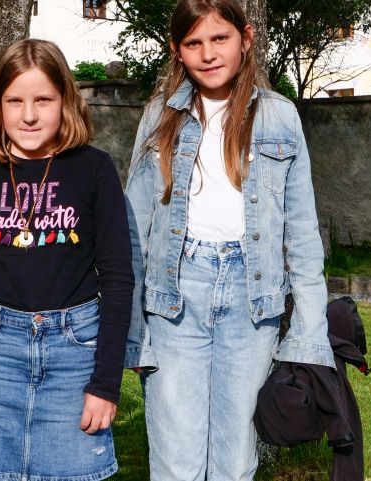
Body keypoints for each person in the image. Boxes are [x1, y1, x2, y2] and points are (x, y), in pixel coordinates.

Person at [123, 1, 337, 480]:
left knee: (236, 459)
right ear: (178, 51)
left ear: (246, 38)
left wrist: (309, 330)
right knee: (176, 460)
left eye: (220, 39)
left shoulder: (280, 117)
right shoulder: (160, 117)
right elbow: (132, 229)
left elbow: (302, 234)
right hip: (175, 298)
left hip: (251, 301)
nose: (209, 53)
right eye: (194, 43)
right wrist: (133, 332)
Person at [0, 38, 133, 481]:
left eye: (43, 99)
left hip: (74, 354)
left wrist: (105, 386)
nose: (29, 115)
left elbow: (119, 279)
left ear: (65, 101)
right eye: (15, 101)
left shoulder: (94, 168)